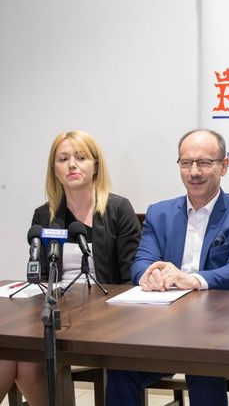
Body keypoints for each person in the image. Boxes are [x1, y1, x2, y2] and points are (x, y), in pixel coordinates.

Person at [106, 129, 229, 406]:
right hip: (163, 328)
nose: (194, 172)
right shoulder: (159, 213)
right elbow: (141, 262)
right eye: (186, 163)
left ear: (224, 166)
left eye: (204, 162)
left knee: (201, 366)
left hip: (218, 330)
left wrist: (193, 280)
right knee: (121, 368)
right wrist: (149, 275)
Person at [0, 130, 141, 405]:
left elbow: (129, 277)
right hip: (58, 313)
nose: (72, 165)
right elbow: (42, 278)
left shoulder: (118, 209)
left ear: (95, 165)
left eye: (80, 157)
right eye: (63, 159)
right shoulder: (45, 214)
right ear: (54, 170)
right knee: (11, 356)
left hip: (107, 317)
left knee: (25, 361)